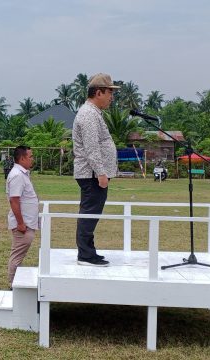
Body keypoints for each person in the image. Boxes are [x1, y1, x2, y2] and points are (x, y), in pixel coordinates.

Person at [72, 73, 119, 267]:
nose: (111, 97)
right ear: (98, 92)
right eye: (109, 92)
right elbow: (92, 148)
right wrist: (101, 173)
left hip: (93, 173)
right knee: (90, 213)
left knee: (91, 213)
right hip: (92, 174)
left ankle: (88, 251)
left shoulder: (93, 113)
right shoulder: (89, 114)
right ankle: (85, 254)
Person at [6, 145, 39, 286]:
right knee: (17, 257)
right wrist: (20, 223)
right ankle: (13, 286)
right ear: (22, 158)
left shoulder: (22, 173)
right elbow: (14, 200)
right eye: (30, 156)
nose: (32, 159)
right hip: (23, 224)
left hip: (27, 222)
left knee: (19, 256)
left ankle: (15, 285)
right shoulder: (17, 175)